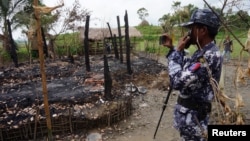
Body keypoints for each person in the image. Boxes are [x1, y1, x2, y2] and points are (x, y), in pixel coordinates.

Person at [161, 8, 223, 140]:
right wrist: (174, 49)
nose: (189, 33)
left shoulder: (209, 56)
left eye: (192, 28)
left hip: (194, 121)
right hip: (190, 119)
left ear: (203, 30)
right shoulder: (203, 52)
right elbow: (186, 68)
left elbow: (177, 81)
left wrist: (177, 51)